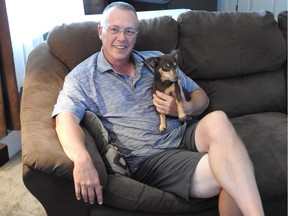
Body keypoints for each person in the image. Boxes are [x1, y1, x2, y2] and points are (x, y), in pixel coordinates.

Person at [52, 2, 265, 215]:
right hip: (153, 157)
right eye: (114, 29)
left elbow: (201, 96)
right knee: (233, 171)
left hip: (185, 132)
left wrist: (185, 107)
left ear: (136, 35)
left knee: (218, 118)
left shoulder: (154, 59)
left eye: (129, 31)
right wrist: (81, 158)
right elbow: (65, 118)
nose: (121, 38)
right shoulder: (83, 77)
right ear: (101, 31)